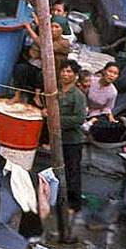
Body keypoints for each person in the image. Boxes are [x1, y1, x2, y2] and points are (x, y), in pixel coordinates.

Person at [43, 60, 87, 213]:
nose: (65, 74)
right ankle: (57, 198)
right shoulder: (56, 91)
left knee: (72, 171)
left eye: (69, 72)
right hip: (58, 138)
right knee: (57, 168)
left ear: (75, 76)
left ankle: (74, 205)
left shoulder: (78, 96)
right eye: (63, 70)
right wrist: (45, 112)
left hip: (72, 140)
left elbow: (79, 119)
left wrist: (55, 119)